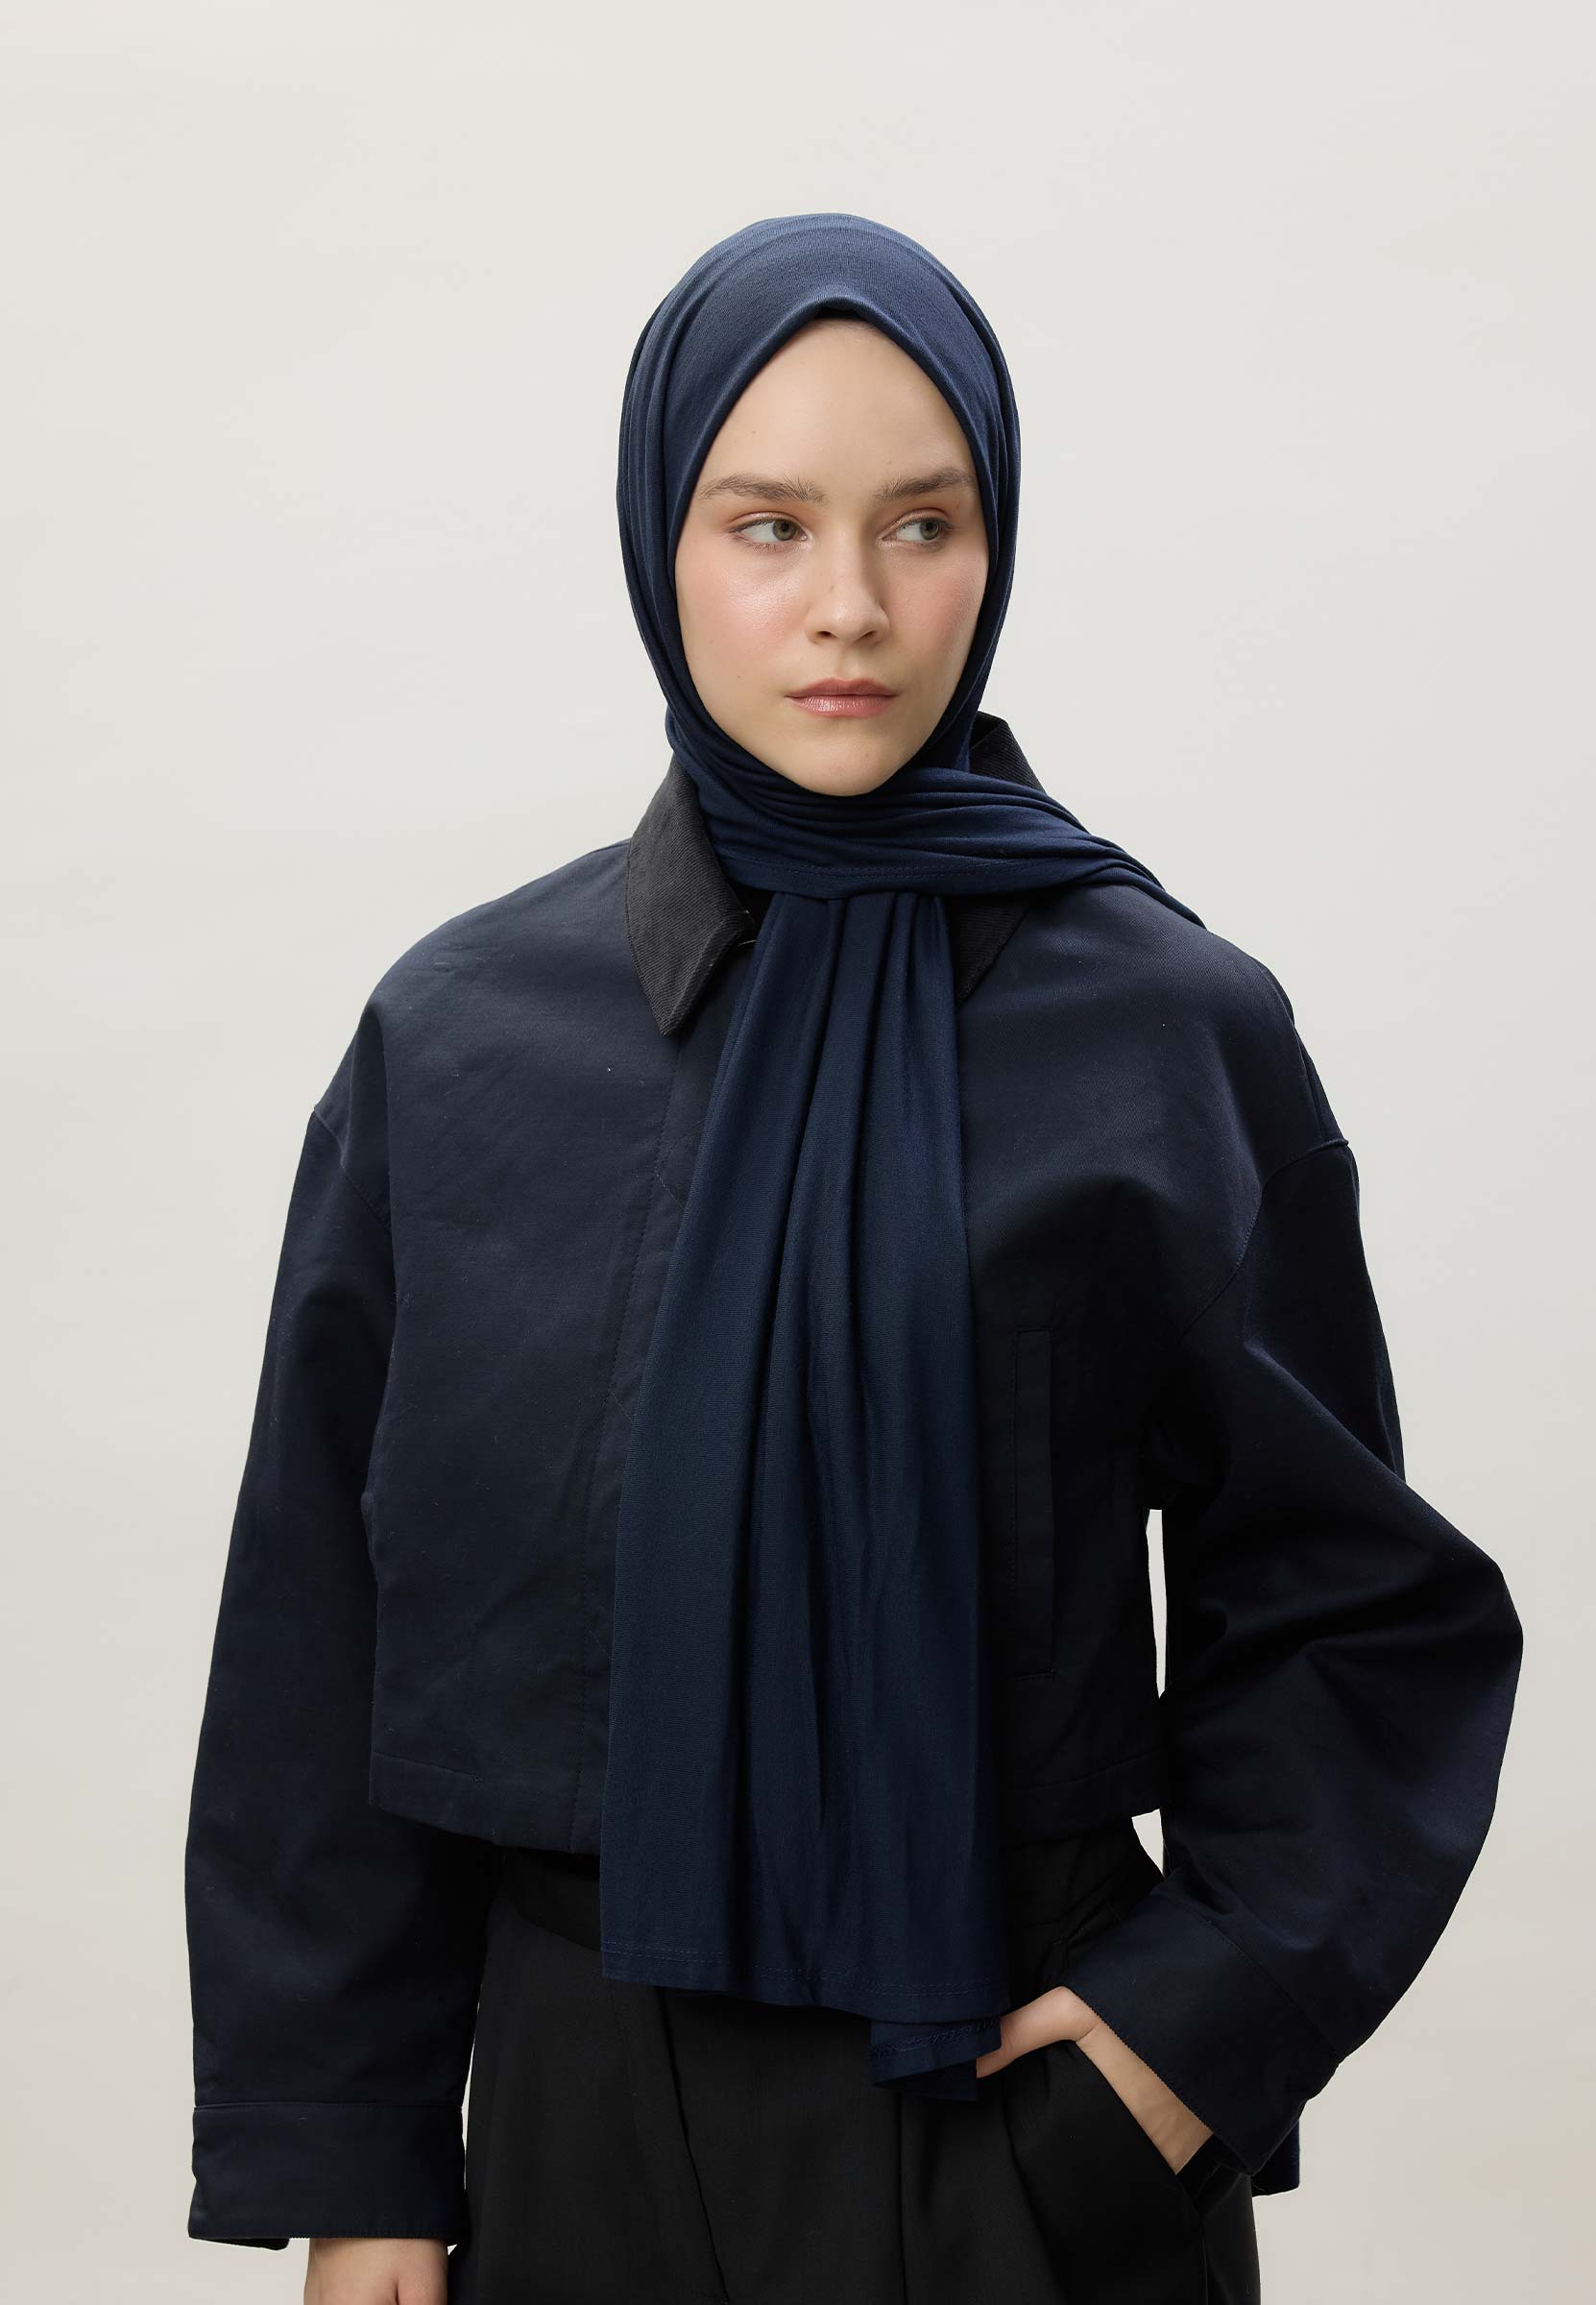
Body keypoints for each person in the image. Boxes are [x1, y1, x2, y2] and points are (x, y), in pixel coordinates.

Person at [183, 214, 1523, 2305]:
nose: (849, 607)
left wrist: (1170, 2064)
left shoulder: (1164, 1030)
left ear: (996, 546)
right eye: (767, 525)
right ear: (658, 539)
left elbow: (1355, 1612)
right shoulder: (456, 1045)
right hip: (569, 2118)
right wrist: (357, 2167)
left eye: (922, 524)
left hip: (1018, 2100)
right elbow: (318, 1633)